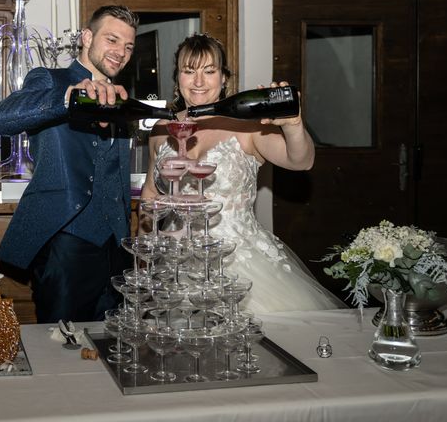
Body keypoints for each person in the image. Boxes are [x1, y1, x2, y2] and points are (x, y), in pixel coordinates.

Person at [141, 33, 345, 314]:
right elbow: (151, 193)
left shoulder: (247, 127)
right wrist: (152, 243)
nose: (198, 81)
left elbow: (301, 161)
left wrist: (293, 124)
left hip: (241, 265)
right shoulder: (161, 131)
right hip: (177, 264)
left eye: (209, 71)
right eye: (189, 71)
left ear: (224, 78)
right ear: (177, 79)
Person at [0, 6, 139, 323]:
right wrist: (68, 97)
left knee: (112, 348)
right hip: (66, 242)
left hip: (118, 247)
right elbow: (3, 119)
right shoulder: (50, 80)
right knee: (61, 348)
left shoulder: (123, 96)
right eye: (112, 39)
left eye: (128, 46)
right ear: (87, 37)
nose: (120, 52)